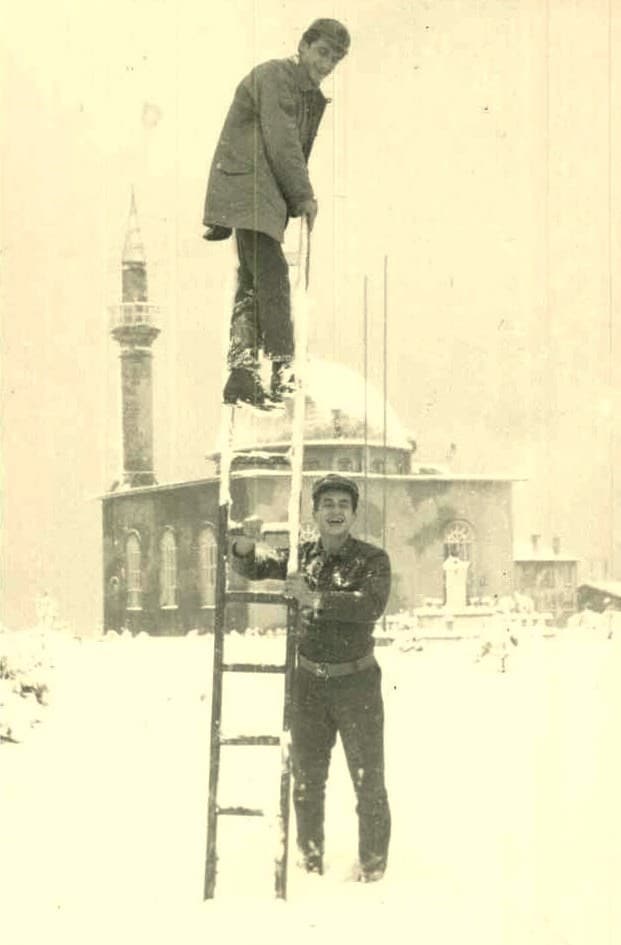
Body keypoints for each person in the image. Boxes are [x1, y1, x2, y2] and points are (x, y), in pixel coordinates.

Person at [230, 474, 392, 882]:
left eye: (343, 504)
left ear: (352, 514)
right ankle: (310, 862)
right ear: (315, 514)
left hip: (357, 685)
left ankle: (373, 869)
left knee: (367, 781)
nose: (335, 511)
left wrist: (315, 598)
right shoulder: (302, 559)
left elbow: (369, 605)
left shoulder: (372, 560)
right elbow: (259, 563)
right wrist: (244, 547)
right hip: (309, 687)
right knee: (307, 781)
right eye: (327, 505)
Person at [202, 19, 351, 408]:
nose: (326, 65)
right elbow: (283, 140)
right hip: (251, 186)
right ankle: (283, 367)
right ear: (303, 46)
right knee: (272, 274)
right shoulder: (277, 78)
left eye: (334, 60)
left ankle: (242, 372)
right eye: (322, 53)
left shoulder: (304, 92)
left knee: (252, 280)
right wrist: (303, 196)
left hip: (257, 190)